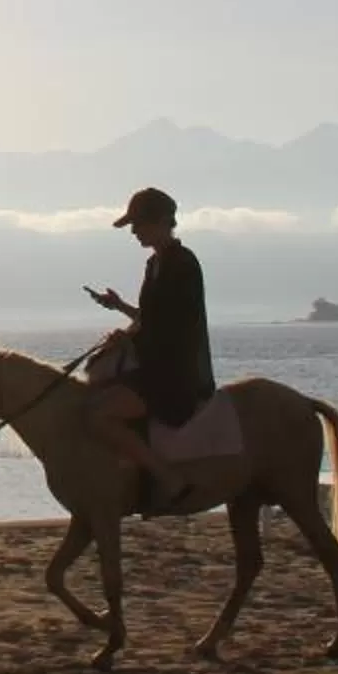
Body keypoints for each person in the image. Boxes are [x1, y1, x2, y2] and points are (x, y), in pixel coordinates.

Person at [82, 185, 216, 510]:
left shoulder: (182, 264)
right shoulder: (155, 265)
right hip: (155, 367)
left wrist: (129, 340)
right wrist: (120, 308)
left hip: (175, 376)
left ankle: (168, 478)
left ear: (160, 222)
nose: (134, 232)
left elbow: (175, 328)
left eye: (138, 225)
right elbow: (152, 319)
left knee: (100, 417)